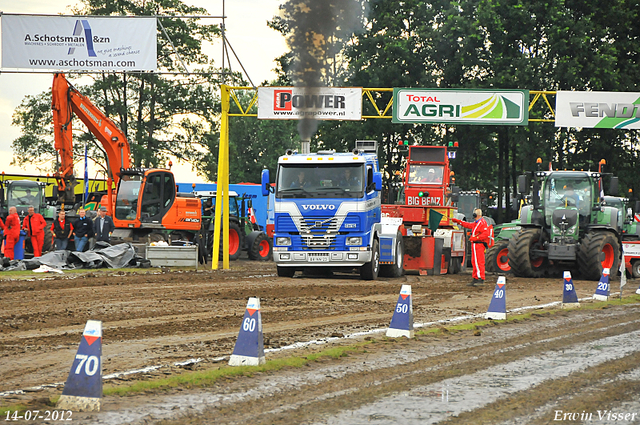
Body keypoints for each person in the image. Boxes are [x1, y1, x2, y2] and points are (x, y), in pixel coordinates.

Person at [452, 208, 491, 286]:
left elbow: (485, 234)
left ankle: (480, 278)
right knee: (474, 261)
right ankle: (475, 277)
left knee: (479, 262)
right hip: (475, 245)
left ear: (476, 215)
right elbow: (469, 225)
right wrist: (459, 222)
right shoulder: (477, 223)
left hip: (479, 244)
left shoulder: (482, 223)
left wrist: (476, 238)